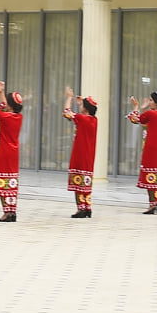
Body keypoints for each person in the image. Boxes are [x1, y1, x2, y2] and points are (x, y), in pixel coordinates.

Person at [129, 91, 157, 215]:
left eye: (151, 100)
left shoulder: (151, 113)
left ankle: (152, 205)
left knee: (150, 176)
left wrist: (136, 107)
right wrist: (143, 108)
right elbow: (145, 123)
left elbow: (135, 119)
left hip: (151, 148)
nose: (149, 102)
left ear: (156, 102)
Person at [0, 81, 24, 223]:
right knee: (11, 182)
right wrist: (2, 92)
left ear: (10, 105)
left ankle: (6, 212)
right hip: (14, 152)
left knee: (3, 182)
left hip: (3, 151)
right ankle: (12, 211)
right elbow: (4, 107)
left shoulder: (5, 117)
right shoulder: (17, 117)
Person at [63, 87, 98, 219]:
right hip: (89, 155)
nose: (80, 107)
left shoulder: (82, 119)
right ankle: (87, 207)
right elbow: (81, 114)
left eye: (82, 105)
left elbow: (67, 112)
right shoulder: (93, 120)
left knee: (78, 180)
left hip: (80, 153)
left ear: (86, 109)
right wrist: (81, 103)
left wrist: (69, 97)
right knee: (86, 181)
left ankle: (81, 209)